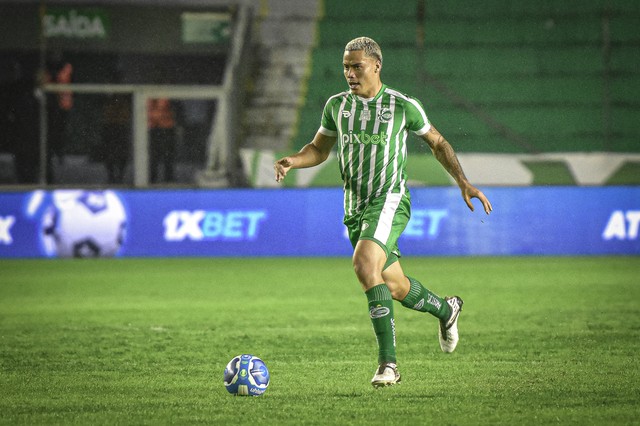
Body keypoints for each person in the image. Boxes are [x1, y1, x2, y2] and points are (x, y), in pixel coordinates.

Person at [274, 37, 492, 387]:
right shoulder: (336, 106)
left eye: (356, 66)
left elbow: (437, 142)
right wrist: (294, 161)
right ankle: (445, 308)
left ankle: (388, 365)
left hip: (389, 200)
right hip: (354, 207)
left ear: (376, 66)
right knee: (395, 285)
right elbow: (319, 148)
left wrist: (463, 182)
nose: (349, 73)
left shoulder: (402, 105)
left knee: (364, 265)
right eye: (346, 66)